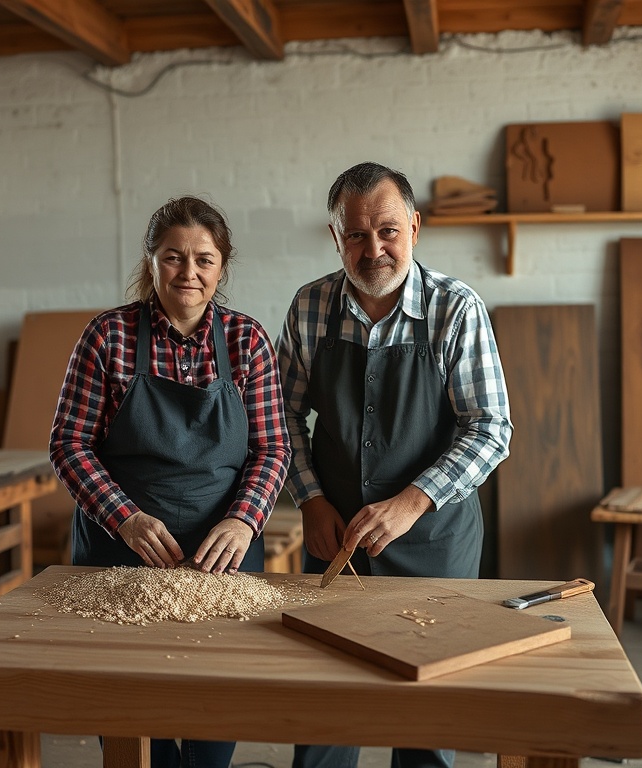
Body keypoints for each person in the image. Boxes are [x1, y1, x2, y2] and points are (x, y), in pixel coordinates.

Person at [276, 162, 513, 768]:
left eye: (387, 230)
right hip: (336, 541)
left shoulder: (455, 309)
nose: (373, 248)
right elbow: (280, 420)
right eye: (355, 234)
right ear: (335, 239)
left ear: (414, 226)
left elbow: (490, 429)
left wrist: (413, 502)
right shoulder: (310, 308)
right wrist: (311, 500)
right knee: (327, 704)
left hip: (435, 541)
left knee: (427, 716)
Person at [50, 195, 290, 768]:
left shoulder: (246, 342)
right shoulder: (108, 337)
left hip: (222, 557)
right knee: (128, 709)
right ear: (152, 261)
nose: (189, 273)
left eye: (204, 260)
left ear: (222, 267)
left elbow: (272, 448)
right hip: (120, 552)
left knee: (217, 700)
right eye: (173, 257)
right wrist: (124, 518)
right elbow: (69, 443)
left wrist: (244, 519)